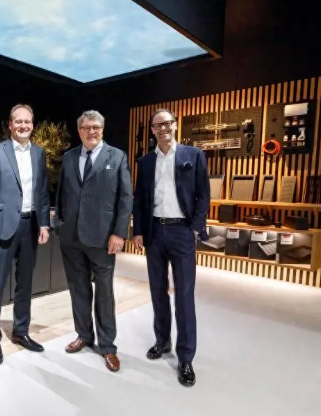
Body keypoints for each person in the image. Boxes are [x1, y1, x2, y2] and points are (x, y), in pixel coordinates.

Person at [131, 108, 210, 387]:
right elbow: (139, 198)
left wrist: (195, 228)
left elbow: (203, 195)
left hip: (181, 232)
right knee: (158, 291)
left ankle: (185, 357)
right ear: (152, 130)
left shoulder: (193, 155)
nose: (163, 128)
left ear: (175, 125)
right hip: (154, 232)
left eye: (167, 123)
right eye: (157, 125)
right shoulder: (146, 161)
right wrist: (138, 231)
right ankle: (162, 341)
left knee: (184, 295)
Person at [54, 110, 133, 372]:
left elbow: (125, 198)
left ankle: (108, 346)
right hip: (71, 238)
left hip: (103, 238)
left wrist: (119, 233)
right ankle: (84, 335)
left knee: (105, 293)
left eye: (96, 127)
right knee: (78, 290)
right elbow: (61, 195)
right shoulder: (69, 157)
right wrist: (60, 225)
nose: (91, 132)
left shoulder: (117, 156)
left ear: (102, 129)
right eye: (86, 127)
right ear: (79, 131)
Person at [0, 103, 51, 365]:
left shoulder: (39, 153)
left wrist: (44, 224)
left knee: (25, 284)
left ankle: (21, 331)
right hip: (2, 227)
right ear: (10, 125)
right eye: (18, 121)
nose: (23, 126)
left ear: (32, 125)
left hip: (30, 227)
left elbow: (43, 193)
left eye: (27, 122)